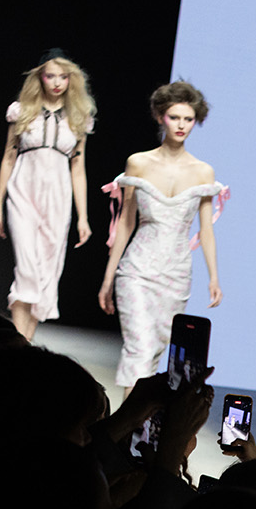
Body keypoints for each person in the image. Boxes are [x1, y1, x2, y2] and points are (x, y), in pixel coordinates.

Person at [98, 81, 225, 386]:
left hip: (176, 274)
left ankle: (137, 418)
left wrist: (214, 277)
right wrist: (108, 277)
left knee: (155, 353)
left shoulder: (203, 172)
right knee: (139, 350)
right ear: (160, 117)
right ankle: (128, 419)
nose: (181, 125)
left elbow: (206, 230)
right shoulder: (138, 163)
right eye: (174, 117)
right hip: (137, 270)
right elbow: (126, 222)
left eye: (188, 119)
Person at [0, 49, 94, 342]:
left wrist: (83, 217)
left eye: (63, 76)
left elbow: (78, 169)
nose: (57, 82)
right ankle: (16, 342)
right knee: (27, 269)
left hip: (58, 199)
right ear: (40, 77)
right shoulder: (21, 111)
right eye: (50, 76)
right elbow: (8, 159)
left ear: (71, 79)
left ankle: (23, 344)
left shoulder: (79, 118)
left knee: (47, 272)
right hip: (23, 193)